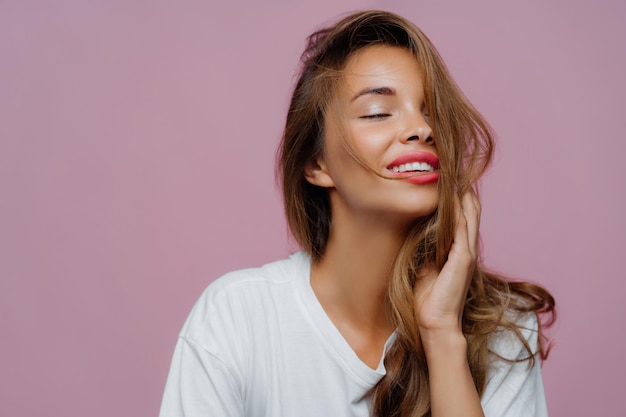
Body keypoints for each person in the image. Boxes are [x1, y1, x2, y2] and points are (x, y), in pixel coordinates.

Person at [159, 10, 555, 417]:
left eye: (431, 111)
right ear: (317, 165)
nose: (421, 129)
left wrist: (442, 335)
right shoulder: (237, 319)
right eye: (378, 112)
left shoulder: (502, 331)